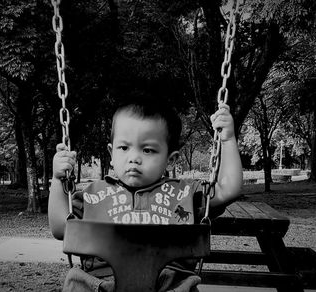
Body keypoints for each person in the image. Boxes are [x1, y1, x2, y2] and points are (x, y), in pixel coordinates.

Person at [49, 99, 243, 292]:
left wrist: (227, 140)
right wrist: (58, 180)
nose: (134, 158)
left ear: (171, 160)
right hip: (100, 283)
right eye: (124, 148)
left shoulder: (184, 192)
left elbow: (229, 189)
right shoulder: (93, 194)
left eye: (148, 150)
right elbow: (60, 229)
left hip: (168, 282)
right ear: (111, 152)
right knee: (77, 281)